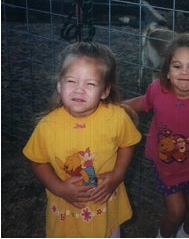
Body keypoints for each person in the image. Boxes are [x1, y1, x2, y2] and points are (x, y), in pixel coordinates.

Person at [23, 42, 142, 237]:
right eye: (71, 81)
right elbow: (37, 161)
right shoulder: (47, 126)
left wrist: (117, 175)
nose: (79, 90)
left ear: (105, 91)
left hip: (104, 205)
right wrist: (59, 188)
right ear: (59, 85)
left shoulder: (116, 118)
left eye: (91, 83)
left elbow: (127, 144)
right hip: (67, 213)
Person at [124, 33, 189, 237]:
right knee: (176, 212)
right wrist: (113, 108)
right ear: (167, 72)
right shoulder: (158, 90)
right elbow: (143, 103)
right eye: (177, 66)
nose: (184, 73)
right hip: (164, 164)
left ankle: (184, 236)